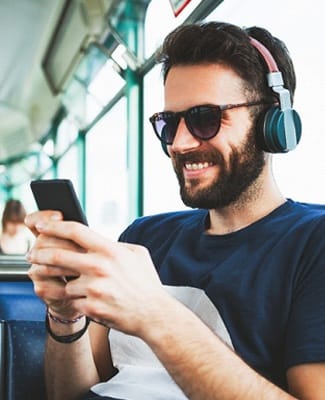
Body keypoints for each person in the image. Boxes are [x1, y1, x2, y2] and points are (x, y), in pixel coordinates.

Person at [25, 21, 325, 400]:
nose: (179, 144)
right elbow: (72, 393)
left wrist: (154, 313)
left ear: (272, 123)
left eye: (205, 119)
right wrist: (67, 317)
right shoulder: (144, 237)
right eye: (169, 123)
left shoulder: (313, 244)